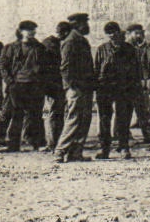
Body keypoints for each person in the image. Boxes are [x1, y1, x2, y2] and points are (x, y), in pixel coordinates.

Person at [0, 20, 48, 151]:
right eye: (29, 29)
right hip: (17, 85)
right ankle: (13, 144)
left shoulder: (40, 48)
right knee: (17, 115)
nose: (32, 32)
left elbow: (45, 66)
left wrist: (41, 82)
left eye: (33, 29)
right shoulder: (10, 47)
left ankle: (37, 143)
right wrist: (10, 82)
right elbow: (2, 66)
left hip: (34, 85)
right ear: (21, 31)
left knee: (35, 115)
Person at [53, 13, 96, 163]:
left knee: (84, 119)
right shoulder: (71, 40)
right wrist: (71, 87)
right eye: (85, 23)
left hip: (85, 87)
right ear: (78, 24)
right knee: (74, 119)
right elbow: (65, 67)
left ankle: (76, 153)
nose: (87, 26)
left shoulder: (80, 39)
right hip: (77, 88)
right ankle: (60, 151)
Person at [94, 21, 141, 159]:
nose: (112, 35)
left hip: (124, 88)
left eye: (114, 32)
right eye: (109, 33)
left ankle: (124, 147)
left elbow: (135, 70)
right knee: (104, 119)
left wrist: (134, 87)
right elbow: (96, 69)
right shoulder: (102, 49)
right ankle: (105, 149)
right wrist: (97, 86)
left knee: (123, 119)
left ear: (119, 32)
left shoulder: (129, 49)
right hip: (105, 88)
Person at [40, 21, 72, 149]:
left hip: (54, 84)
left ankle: (54, 142)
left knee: (55, 113)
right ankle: (55, 142)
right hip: (57, 84)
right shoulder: (57, 45)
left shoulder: (47, 43)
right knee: (57, 113)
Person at [123, 25, 150, 142]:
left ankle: (147, 134)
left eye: (141, 33)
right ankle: (124, 134)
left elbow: (144, 65)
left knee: (143, 110)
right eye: (136, 33)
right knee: (125, 111)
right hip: (127, 83)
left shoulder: (143, 47)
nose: (139, 36)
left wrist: (146, 79)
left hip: (140, 83)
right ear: (129, 34)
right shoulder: (124, 47)